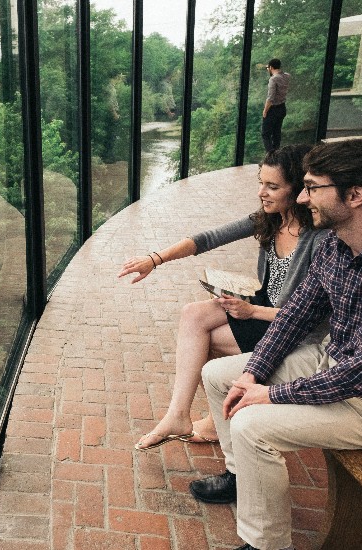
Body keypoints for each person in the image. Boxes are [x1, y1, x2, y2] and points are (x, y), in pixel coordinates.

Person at [190, 139, 362, 550]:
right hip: (332, 366)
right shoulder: (338, 247)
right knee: (219, 375)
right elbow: (296, 316)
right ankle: (241, 477)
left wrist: (270, 394)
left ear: (356, 195)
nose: (303, 198)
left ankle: (265, 544)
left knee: (252, 424)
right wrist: (253, 372)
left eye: (312, 187)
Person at [118, 144, 327, 450]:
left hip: (290, 328)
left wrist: (250, 311)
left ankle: (221, 417)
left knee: (206, 341)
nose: (262, 193)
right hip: (262, 307)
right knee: (193, 314)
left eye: (272, 186)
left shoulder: (319, 239)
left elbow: (311, 316)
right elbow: (208, 238)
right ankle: (179, 415)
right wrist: (154, 259)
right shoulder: (270, 219)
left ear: (298, 190)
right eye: (261, 183)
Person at [262, 59, 289, 153]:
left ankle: (270, 157)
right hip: (282, 108)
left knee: (265, 134)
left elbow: (270, 98)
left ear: (271, 67)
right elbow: (284, 73)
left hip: (273, 109)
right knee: (276, 133)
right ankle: (277, 156)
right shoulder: (286, 76)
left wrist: (265, 111)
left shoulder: (273, 79)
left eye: (268, 68)